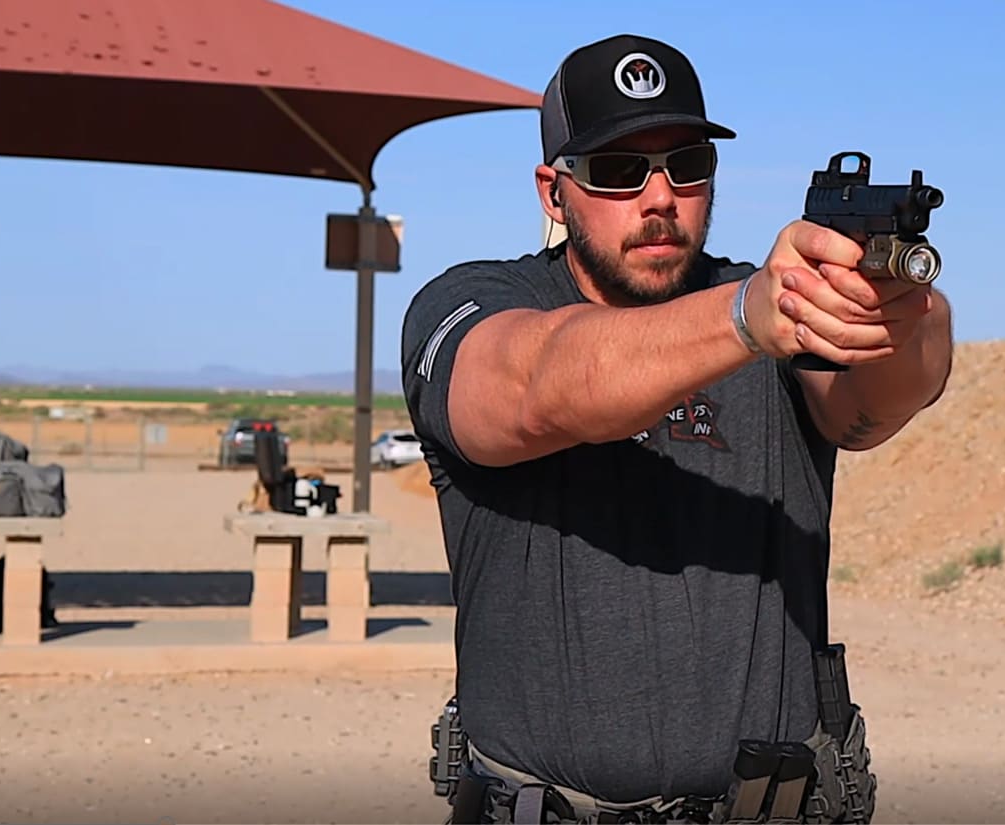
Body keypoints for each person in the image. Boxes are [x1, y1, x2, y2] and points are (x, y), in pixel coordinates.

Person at [402, 33, 954, 824]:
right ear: (552, 191)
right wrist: (750, 316)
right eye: (620, 171)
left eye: (686, 164)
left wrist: (905, 315)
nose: (659, 197)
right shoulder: (469, 303)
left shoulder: (776, 312)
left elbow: (882, 397)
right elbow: (540, 385)